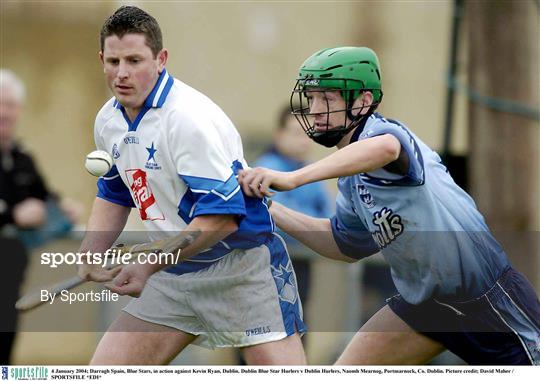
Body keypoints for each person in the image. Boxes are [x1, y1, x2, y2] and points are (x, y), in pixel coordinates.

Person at [238, 46, 540, 365]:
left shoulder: (383, 132)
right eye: (311, 98)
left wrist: (293, 178)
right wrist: (271, 209)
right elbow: (343, 245)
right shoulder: (350, 182)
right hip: (424, 307)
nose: (314, 109)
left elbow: (385, 149)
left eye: (327, 99)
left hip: (486, 301)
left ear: (363, 102)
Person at [78, 6, 306, 365]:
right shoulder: (108, 120)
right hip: (171, 271)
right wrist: (91, 251)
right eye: (113, 61)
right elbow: (114, 192)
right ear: (101, 59)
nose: (122, 73)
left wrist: (148, 264)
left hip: (239, 268)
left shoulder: (188, 120)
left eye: (135, 60)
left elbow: (222, 217)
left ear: (161, 59)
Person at [0, 69, 80, 364]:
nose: (5, 112)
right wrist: (12, 216)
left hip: (10, 281)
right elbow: (17, 213)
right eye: (0, 104)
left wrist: (62, 209)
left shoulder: (22, 157)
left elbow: (44, 195)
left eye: (10, 105)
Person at [254, 106, 333, 319]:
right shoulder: (266, 169)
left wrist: (303, 221)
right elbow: (276, 218)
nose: (304, 141)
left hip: (301, 264)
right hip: (267, 266)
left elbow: (331, 219)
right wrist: (312, 223)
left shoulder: (310, 171)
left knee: (298, 322)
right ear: (279, 135)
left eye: (309, 134)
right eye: (297, 133)